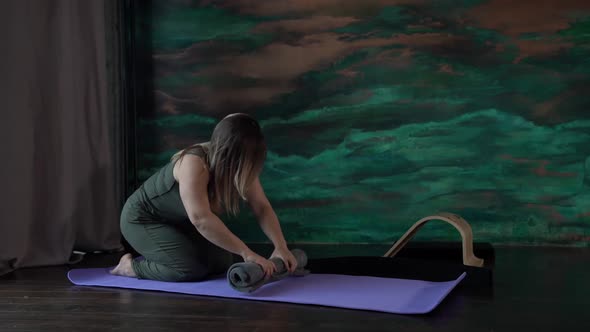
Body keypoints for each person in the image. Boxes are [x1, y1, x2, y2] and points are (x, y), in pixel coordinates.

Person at [110, 113, 298, 281]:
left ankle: (166, 252)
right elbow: (200, 219)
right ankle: (130, 267)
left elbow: (261, 207)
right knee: (189, 269)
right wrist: (247, 253)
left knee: (222, 263)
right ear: (231, 155)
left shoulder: (241, 166)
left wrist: (281, 246)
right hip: (143, 220)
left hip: (179, 222)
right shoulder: (194, 164)